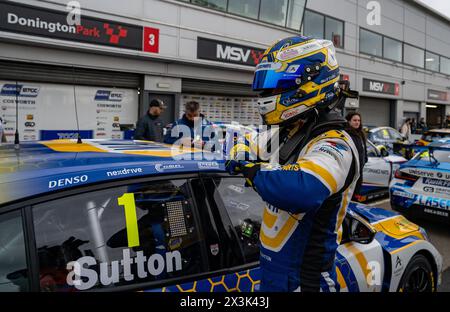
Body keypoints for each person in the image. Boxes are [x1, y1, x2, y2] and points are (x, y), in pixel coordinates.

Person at [226, 36, 362, 292]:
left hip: (307, 281)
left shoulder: (337, 142)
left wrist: (253, 170)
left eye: (276, 85)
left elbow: (301, 190)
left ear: (310, 83)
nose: (266, 94)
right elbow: (241, 142)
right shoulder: (288, 132)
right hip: (270, 274)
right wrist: (243, 157)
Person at [345, 112, 368, 197]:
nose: (357, 122)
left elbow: (364, 149)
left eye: (359, 120)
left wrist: (365, 159)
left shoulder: (361, 134)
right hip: (349, 171)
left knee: (356, 194)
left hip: (359, 170)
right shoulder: (346, 134)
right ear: (349, 121)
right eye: (354, 120)